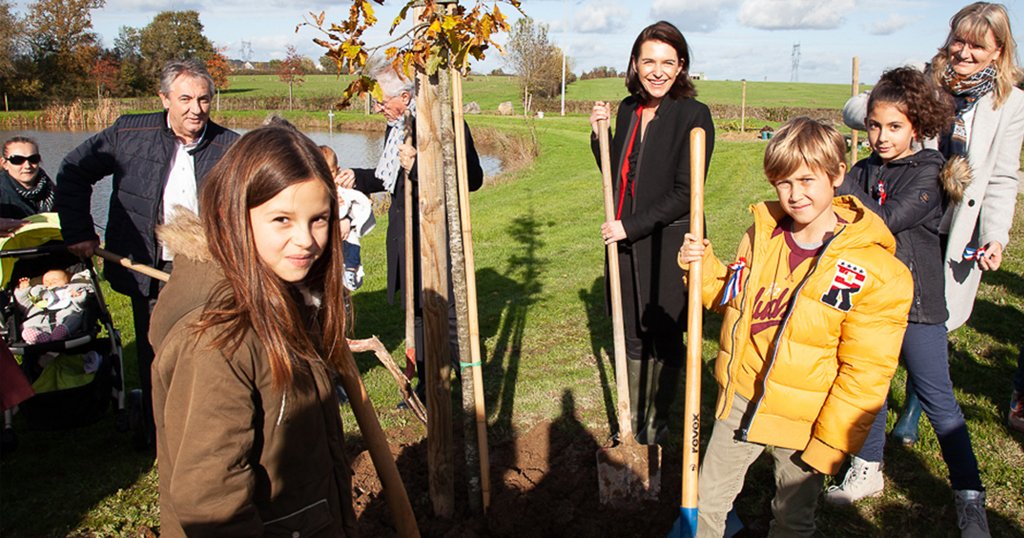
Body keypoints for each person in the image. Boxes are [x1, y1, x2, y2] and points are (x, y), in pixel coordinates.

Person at [679, 117, 912, 537]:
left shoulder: (876, 271)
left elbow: (866, 374)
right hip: (743, 398)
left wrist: (831, 442)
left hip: (806, 417)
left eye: (807, 180)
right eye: (783, 183)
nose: (794, 194)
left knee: (791, 518)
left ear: (838, 173)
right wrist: (703, 268)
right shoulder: (761, 237)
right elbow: (730, 298)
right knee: (706, 502)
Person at [149, 125, 358, 536]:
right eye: (281, 219)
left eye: (319, 219)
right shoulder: (218, 339)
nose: (306, 240)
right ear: (231, 214)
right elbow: (210, 502)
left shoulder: (283, 295)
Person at [841, 3, 1024, 451]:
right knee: (888, 301)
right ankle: (875, 410)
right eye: (958, 40)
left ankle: (916, 404)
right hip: (905, 207)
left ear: (998, 50)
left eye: (977, 45)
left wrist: (994, 236)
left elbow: (1002, 176)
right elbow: (857, 112)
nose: (963, 51)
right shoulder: (926, 80)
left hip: (955, 220)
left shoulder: (1011, 103)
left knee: (933, 316)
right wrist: (885, 107)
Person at [825, 67, 993, 537]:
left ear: (917, 126)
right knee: (869, 392)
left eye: (894, 127)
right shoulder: (863, 169)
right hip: (870, 305)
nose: (881, 136)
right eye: (875, 125)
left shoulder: (929, 174)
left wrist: (841, 185)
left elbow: (881, 221)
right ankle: (868, 468)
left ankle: (969, 497)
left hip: (918, 308)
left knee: (940, 405)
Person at [54, 59, 239, 449]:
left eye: (204, 99)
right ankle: (161, 439)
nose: (196, 109)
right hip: (146, 265)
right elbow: (73, 170)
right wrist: (79, 231)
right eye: (185, 98)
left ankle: (208, 436)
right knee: (157, 350)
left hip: (207, 269)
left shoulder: (230, 146)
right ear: (164, 98)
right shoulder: (128, 133)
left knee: (210, 349)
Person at [587, 20, 714, 444]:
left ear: (681, 67)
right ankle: (633, 424)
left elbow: (686, 193)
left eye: (668, 62)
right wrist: (598, 135)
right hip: (625, 242)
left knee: (664, 335)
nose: (657, 71)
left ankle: (657, 426)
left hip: (670, 243)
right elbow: (619, 172)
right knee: (632, 334)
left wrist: (630, 226)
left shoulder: (694, 115)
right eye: (649, 62)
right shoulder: (628, 109)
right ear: (635, 65)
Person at [338, 65, 483, 400]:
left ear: (405, 96)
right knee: (415, 309)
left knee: (444, 308)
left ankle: (462, 385)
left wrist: (419, 166)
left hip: (436, 233)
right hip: (405, 233)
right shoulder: (397, 127)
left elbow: (471, 179)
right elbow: (388, 178)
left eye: (381, 101)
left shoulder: (446, 124)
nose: (376, 108)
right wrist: (356, 176)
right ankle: (427, 385)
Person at [320, 145, 376, 291]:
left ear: (337, 169)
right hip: (323, 242)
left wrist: (350, 218)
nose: (328, 176)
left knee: (351, 249)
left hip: (345, 235)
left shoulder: (342, 189)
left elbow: (356, 201)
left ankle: (350, 271)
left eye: (331, 171)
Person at [14, 269, 93, 344]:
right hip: (40, 323)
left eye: (54, 281)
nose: (50, 283)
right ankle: (42, 338)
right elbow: (23, 304)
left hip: (64, 319)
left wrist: (77, 296)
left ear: (66, 282)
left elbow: (80, 303)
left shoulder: (68, 291)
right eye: (46, 282)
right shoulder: (39, 294)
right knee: (25, 328)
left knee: (75, 317)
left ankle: (60, 333)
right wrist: (23, 291)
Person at [1, 136, 55, 219]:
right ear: (4, 163)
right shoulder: (2, 194)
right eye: (18, 160)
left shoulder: (54, 191)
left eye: (33, 159)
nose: (27, 166)